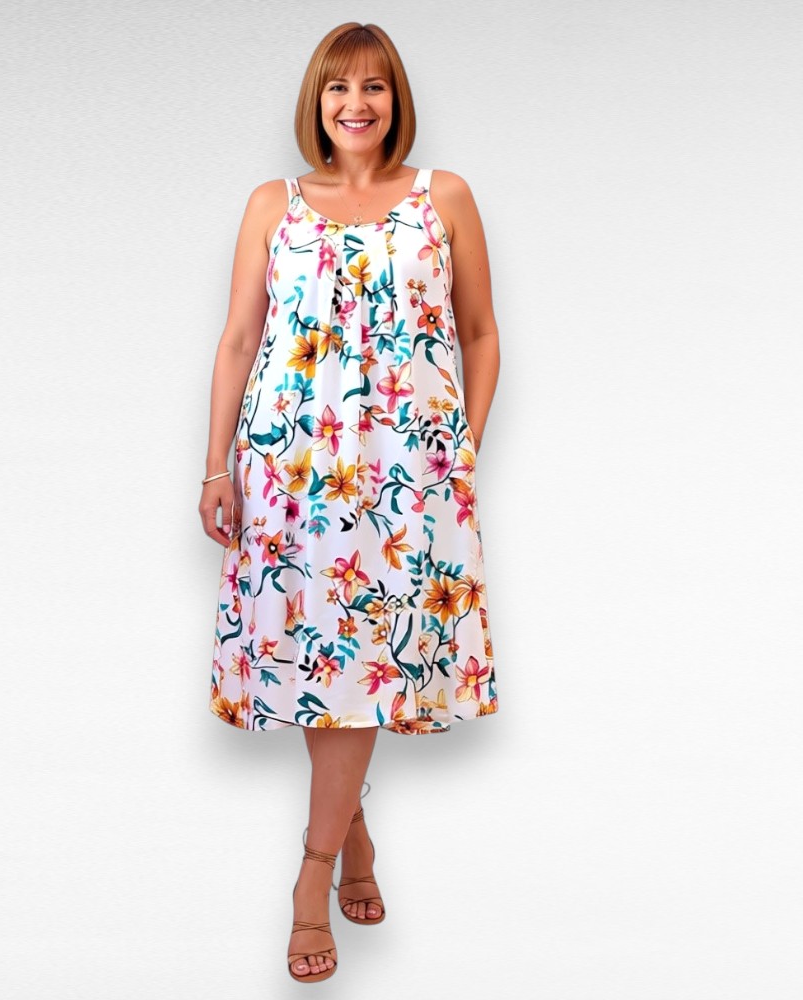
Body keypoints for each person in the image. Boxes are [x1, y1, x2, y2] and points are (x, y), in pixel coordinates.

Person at [200, 21, 502, 983]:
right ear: (317, 102)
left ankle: (313, 873)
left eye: (374, 87)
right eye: (339, 88)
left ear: (395, 99)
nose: (356, 104)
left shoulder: (444, 197)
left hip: (407, 473)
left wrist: (459, 452)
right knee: (320, 655)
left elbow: (480, 333)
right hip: (289, 469)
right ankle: (354, 838)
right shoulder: (272, 204)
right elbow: (239, 339)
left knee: (365, 656)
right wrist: (215, 468)